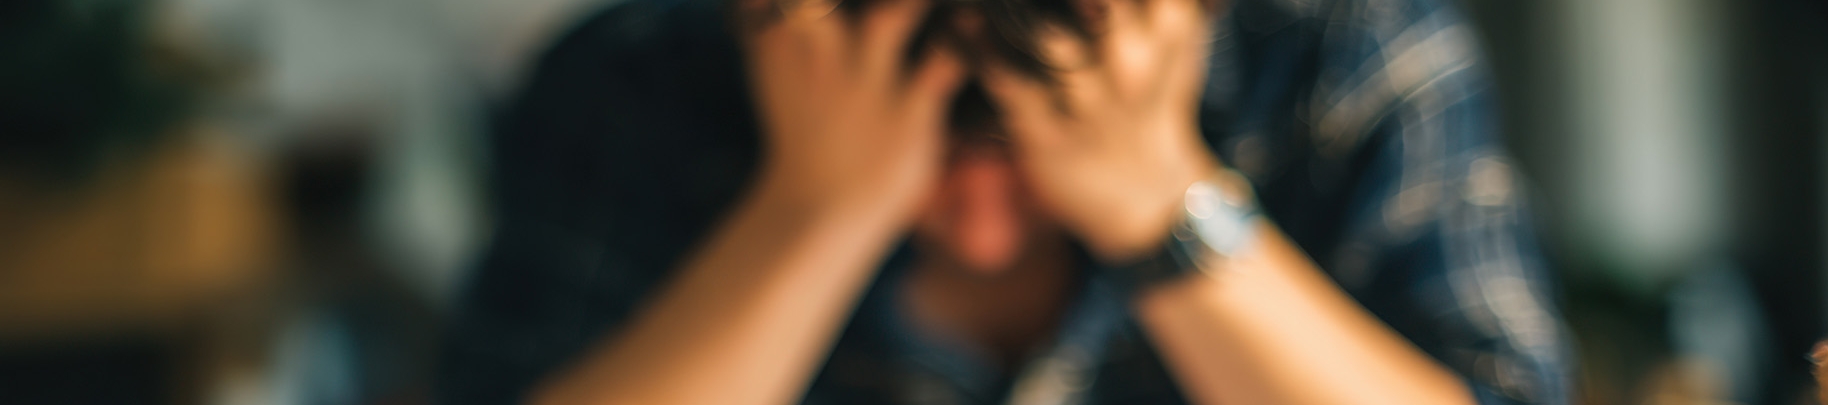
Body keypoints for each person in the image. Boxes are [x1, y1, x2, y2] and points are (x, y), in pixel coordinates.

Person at [440, 0, 1572, 402]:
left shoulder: (1341, 53)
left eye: (1027, 147)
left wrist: (1162, 209)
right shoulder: (634, 85)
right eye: (936, 147)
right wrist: (813, 212)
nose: (984, 229)